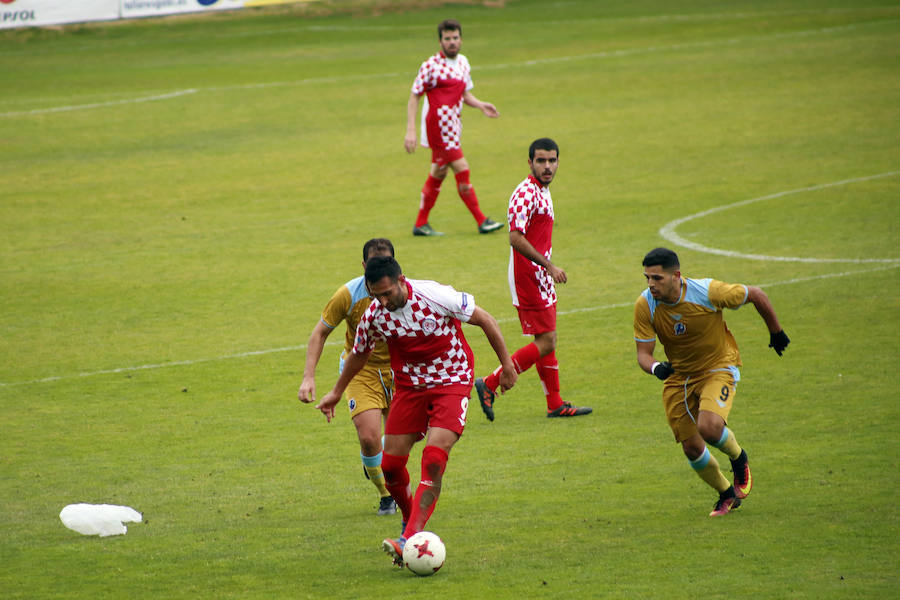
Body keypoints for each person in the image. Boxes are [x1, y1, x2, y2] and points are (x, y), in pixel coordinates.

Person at [314, 256, 517, 567]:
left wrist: (507, 365)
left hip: (452, 380)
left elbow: (485, 320)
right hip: (410, 387)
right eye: (376, 295)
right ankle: (411, 525)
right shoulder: (374, 316)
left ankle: (409, 536)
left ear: (402, 281)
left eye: (388, 293)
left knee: (434, 458)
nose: (383, 301)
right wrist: (336, 392)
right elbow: (359, 355)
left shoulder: (435, 296)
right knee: (391, 465)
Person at [633, 247, 790, 517]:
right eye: (647, 277)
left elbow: (756, 294)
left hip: (717, 367)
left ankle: (739, 457)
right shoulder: (646, 304)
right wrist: (657, 367)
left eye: (657, 278)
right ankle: (726, 494)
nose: (650, 284)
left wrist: (776, 332)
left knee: (709, 426)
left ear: (676, 276)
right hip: (679, 377)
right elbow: (643, 355)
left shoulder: (707, 292)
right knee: (691, 448)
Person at [474, 138, 592, 419]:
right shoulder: (525, 193)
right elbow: (515, 237)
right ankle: (490, 383)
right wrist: (548, 266)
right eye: (541, 161)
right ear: (530, 163)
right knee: (548, 341)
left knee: (546, 338)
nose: (547, 166)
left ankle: (555, 404)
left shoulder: (542, 190)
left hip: (540, 275)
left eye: (552, 160)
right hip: (530, 275)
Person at [298, 238, 398, 517]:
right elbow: (319, 333)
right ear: (364, 266)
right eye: (373, 267)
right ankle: (386, 495)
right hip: (361, 370)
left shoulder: (404, 292)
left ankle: (376, 464)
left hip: (401, 370)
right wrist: (309, 377)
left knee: (397, 444)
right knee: (369, 437)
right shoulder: (348, 294)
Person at [404, 18, 504, 237]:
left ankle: (421, 223)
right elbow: (415, 96)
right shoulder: (430, 66)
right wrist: (411, 129)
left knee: (439, 172)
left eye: (455, 38)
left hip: (453, 127)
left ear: (461, 39)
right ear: (440, 41)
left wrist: (480, 105)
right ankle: (482, 220)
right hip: (437, 128)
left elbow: (464, 93)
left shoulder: (463, 63)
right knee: (462, 168)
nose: (452, 42)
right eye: (447, 38)